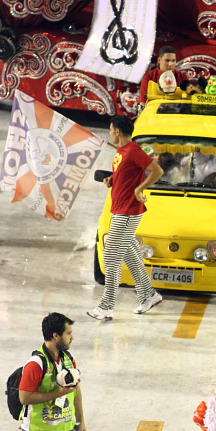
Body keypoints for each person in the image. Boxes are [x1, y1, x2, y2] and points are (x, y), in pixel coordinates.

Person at [87, 115, 163, 320]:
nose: (110, 133)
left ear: (117, 132)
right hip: (119, 208)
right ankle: (149, 295)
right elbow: (126, 172)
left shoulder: (134, 151)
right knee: (130, 254)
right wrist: (113, 179)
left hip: (128, 211)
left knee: (111, 253)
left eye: (111, 129)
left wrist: (140, 188)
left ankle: (107, 306)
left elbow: (157, 171)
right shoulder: (121, 152)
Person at [19, 313, 85, 431]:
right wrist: (60, 393)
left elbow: (76, 390)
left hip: (68, 429)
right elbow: (24, 398)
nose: (72, 338)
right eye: (69, 333)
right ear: (56, 336)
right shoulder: (36, 364)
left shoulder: (67, 358)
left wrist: (80, 421)